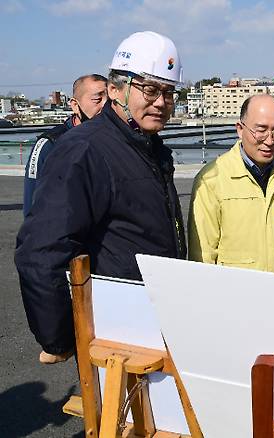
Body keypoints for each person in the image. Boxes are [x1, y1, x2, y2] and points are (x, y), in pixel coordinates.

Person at [15, 31, 187, 364]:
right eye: (149, 89)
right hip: (117, 334)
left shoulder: (149, 147)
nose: (161, 102)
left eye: (169, 92)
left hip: (156, 321)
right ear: (115, 89)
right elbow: (42, 250)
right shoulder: (84, 149)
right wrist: (62, 338)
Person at [188, 94, 274, 277]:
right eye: (261, 130)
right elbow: (202, 255)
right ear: (240, 129)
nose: (270, 140)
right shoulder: (212, 179)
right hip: (234, 298)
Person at [23, 74, 107, 216]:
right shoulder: (50, 143)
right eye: (97, 99)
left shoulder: (119, 140)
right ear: (75, 105)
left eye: (111, 101)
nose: (105, 106)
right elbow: (32, 204)